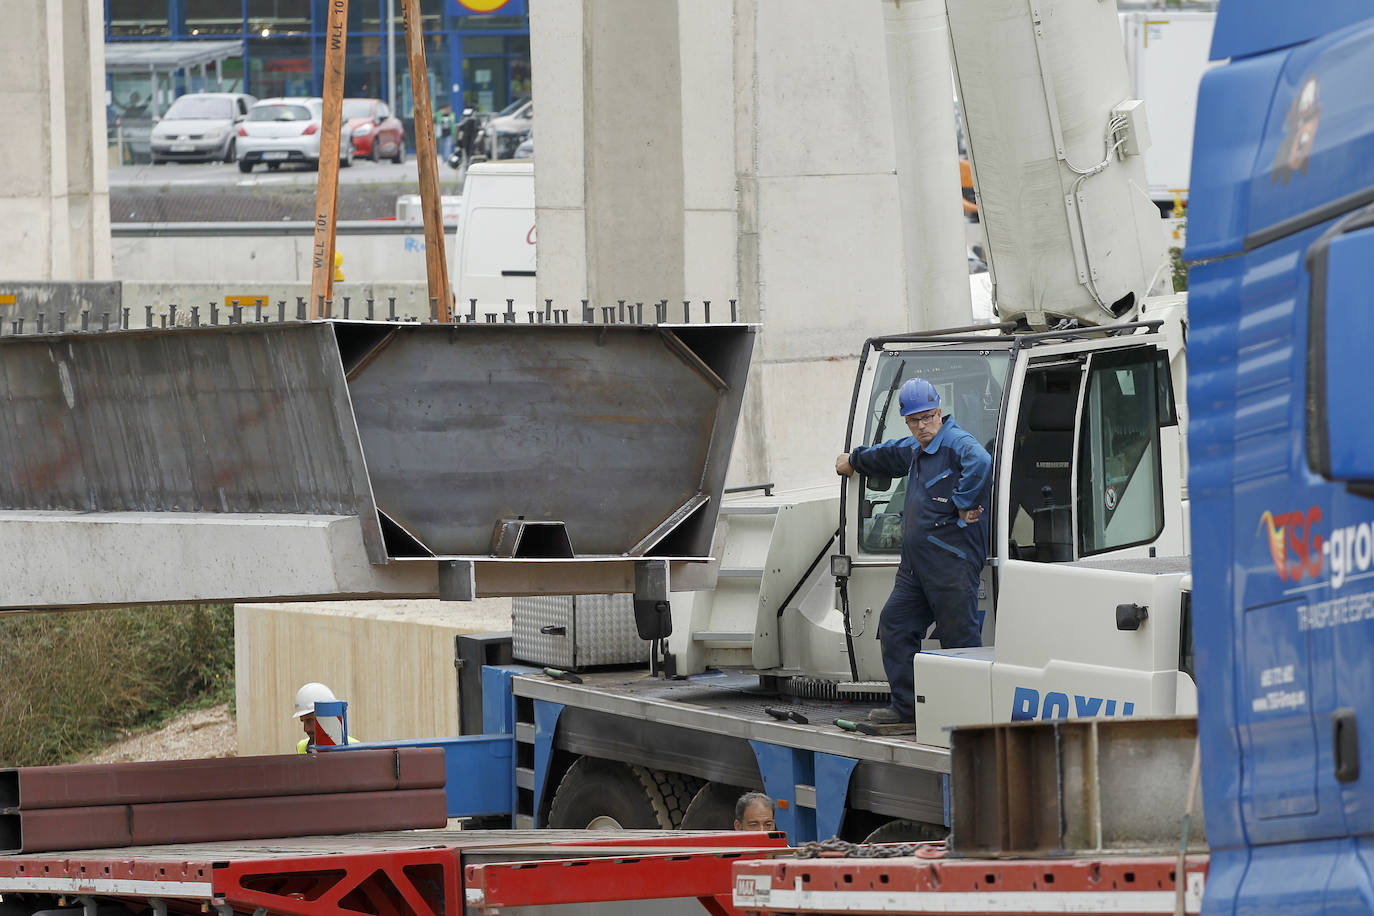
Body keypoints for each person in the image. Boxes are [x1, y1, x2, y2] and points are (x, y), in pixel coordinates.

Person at [835, 377, 992, 725]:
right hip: (915, 568)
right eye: (914, 420)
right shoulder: (916, 448)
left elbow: (982, 462)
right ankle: (907, 709)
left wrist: (965, 503)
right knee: (895, 624)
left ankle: (969, 718)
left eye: (927, 417)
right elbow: (889, 453)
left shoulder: (958, 444)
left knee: (959, 640)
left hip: (951, 563)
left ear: (939, 411)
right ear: (907, 420)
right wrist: (855, 459)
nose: (922, 425)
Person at [293, 682, 358, 753]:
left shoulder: (355, 748)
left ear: (329, 718)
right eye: (303, 721)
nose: (305, 729)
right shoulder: (302, 746)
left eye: (310, 720)